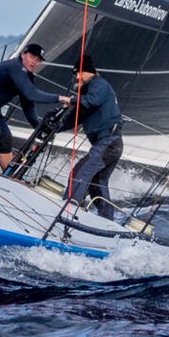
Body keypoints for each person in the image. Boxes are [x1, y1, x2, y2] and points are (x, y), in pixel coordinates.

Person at [0, 42, 69, 171]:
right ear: (22, 55)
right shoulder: (15, 67)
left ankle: (8, 175)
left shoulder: (27, 76)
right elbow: (32, 94)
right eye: (32, 57)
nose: (34, 62)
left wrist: (38, 128)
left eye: (38, 60)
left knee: (6, 137)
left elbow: (28, 106)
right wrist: (60, 98)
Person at [66, 57, 124, 220]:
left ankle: (67, 211)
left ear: (87, 73)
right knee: (97, 183)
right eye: (75, 75)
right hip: (110, 144)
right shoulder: (86, 93)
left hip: (108, 142)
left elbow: (93, 101)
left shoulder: (98, 84)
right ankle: (107, 221)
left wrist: (70, 99)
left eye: (78, 74)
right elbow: (75, 118)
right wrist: (55, 126)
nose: (76, 78)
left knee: (79, 174)